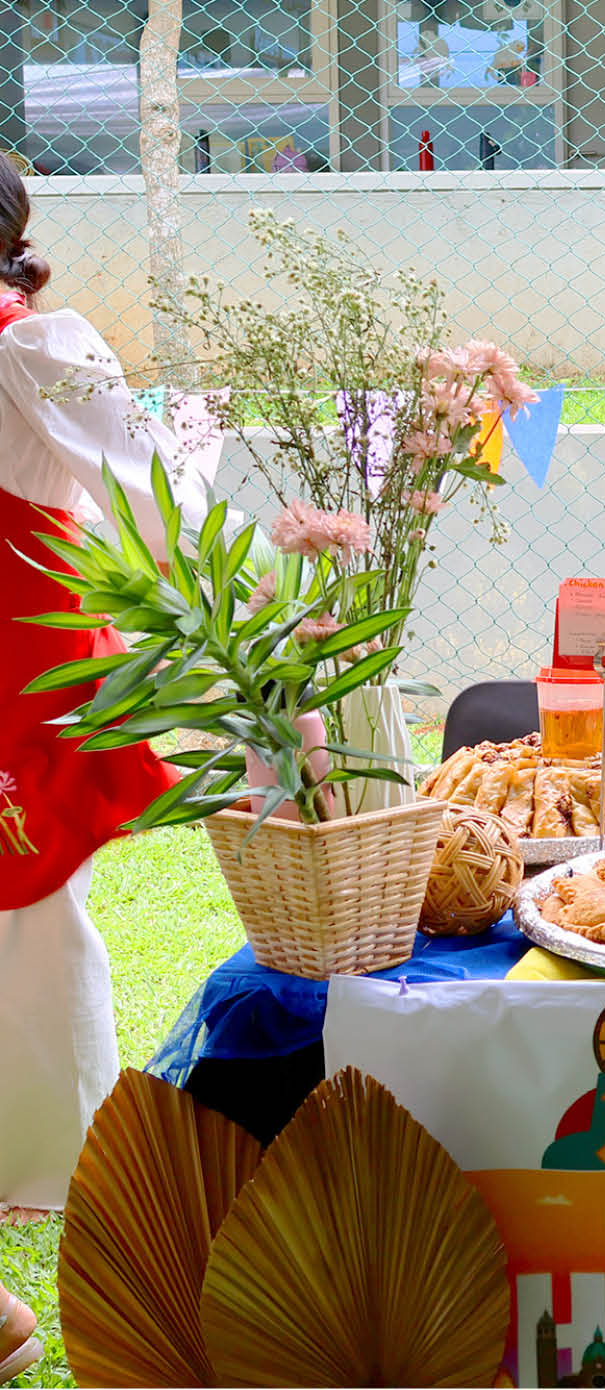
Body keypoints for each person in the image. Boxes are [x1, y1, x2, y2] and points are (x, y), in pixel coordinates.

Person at [0, 159, 203, 1226]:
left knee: (31, 905)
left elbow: (150, 483)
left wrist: (247, 592)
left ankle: (57, 1163)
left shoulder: (29, 344)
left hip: (24, 661)